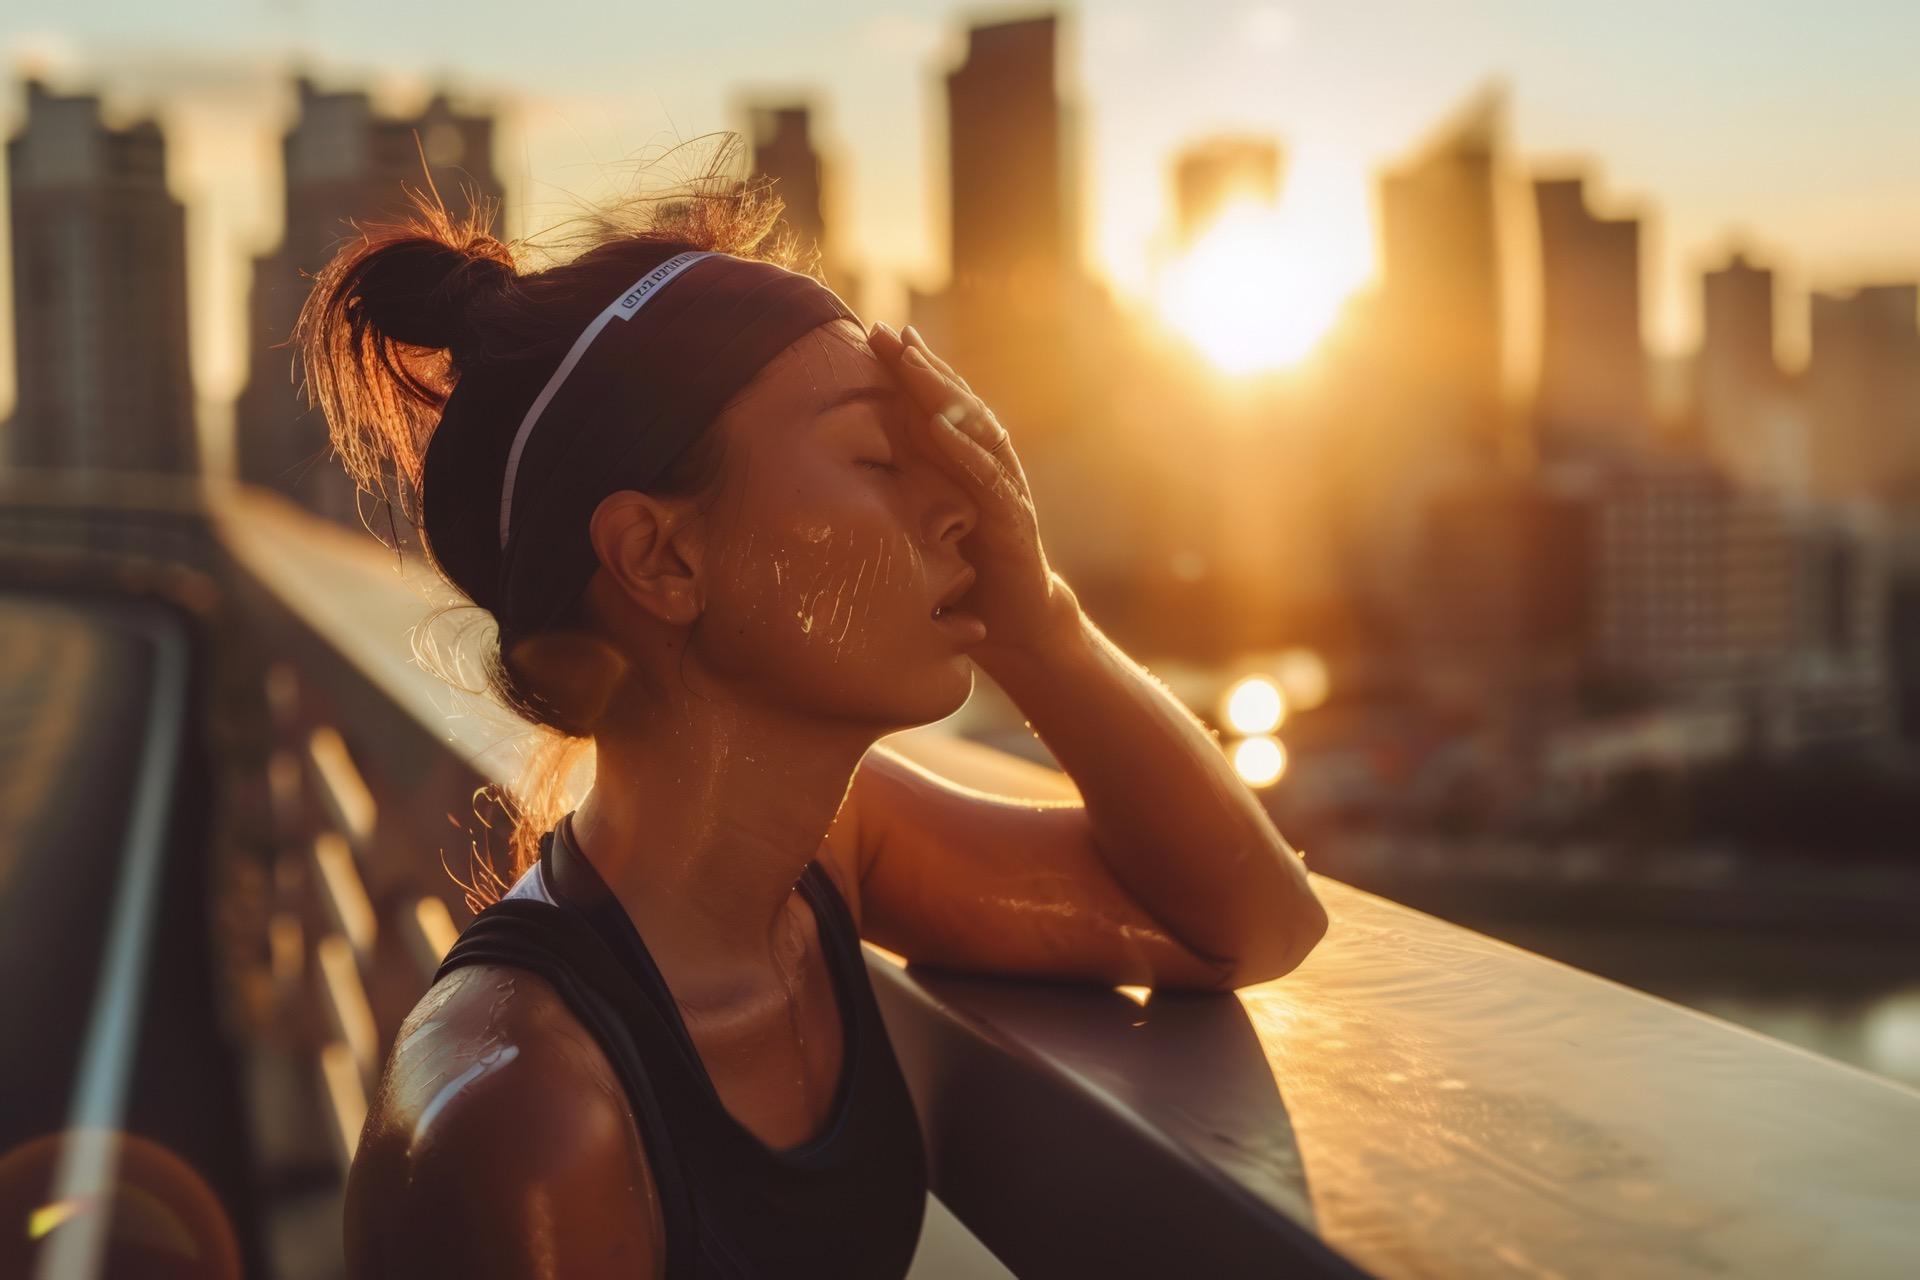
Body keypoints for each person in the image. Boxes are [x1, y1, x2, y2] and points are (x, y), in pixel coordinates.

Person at [294, 139, 1328, 1278]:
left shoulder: (827, 851)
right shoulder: (530, 1122)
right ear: (661, 557)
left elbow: (1251, 923)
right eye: (882, 459)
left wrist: (1044, 624)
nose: (961, 513)